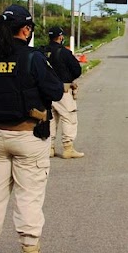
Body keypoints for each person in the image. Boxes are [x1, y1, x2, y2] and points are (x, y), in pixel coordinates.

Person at [0, 4, 64, 253]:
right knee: (28, 197)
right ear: (25, 30)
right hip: (28, 136)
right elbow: (56, 91)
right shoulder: (32, 58)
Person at [44, 27, 84, 159]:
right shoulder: (64, 52)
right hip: (63, 90)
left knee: (50, 118)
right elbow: (77, 70)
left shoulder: (41, 51)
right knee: (69, 117)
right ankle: (68, 148)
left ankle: (49, 148)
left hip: (45, 91)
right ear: (60, 37)